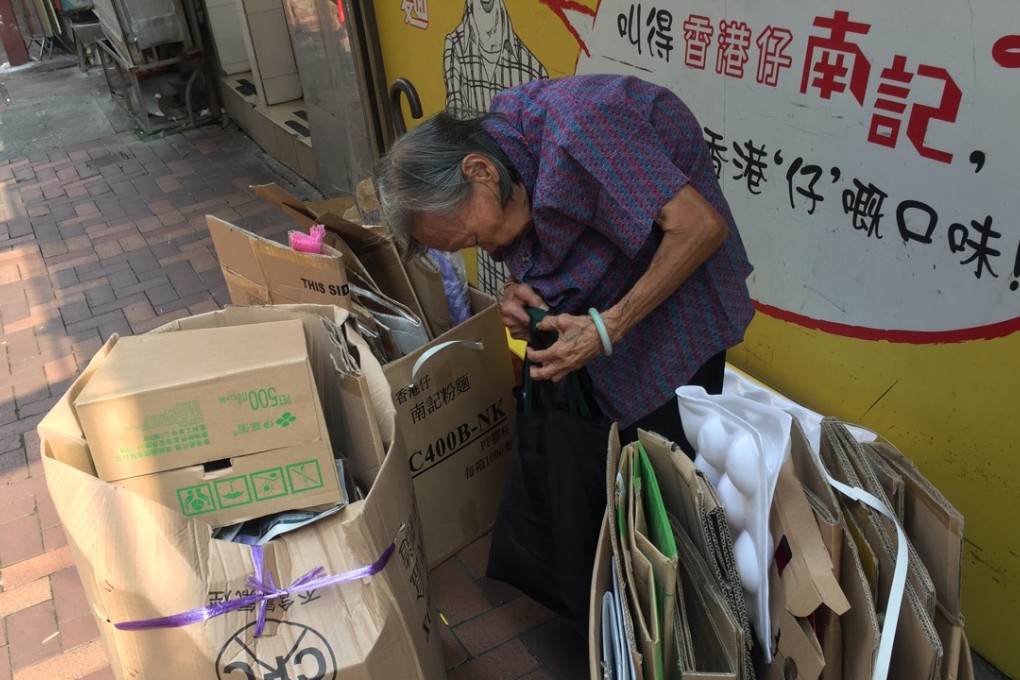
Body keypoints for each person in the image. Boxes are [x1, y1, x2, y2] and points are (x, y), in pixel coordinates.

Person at [377, 74, 755, 454]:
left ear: (480, 171)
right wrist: (511, 289)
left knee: (664, 468)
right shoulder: (503, 146)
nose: (488, 249)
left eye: (474, 238)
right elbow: (526, 231)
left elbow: (699, 228)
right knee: (611, 468)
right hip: (603, 314)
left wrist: (607, 328)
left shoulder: (583, 129)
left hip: (676, 304)